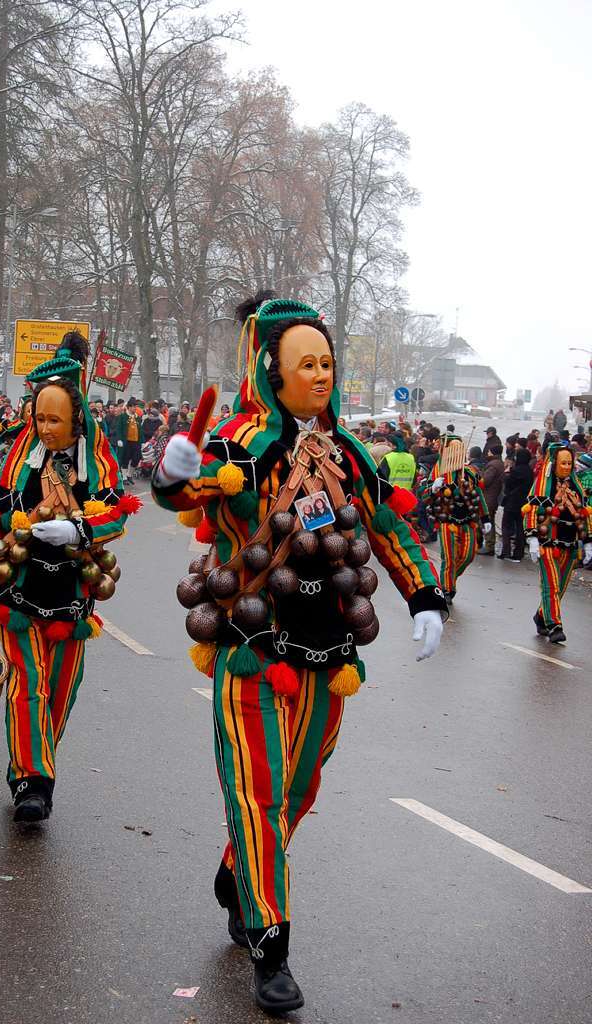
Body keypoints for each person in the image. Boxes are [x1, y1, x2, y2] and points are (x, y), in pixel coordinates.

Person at [152, 292, 446, 1015]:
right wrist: (170, 474)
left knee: (296, 791)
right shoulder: (245, 442)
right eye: (304, 363)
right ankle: (269, 945)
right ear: (272, 372)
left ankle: (235, 875)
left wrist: (425, 594)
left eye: (327, 362)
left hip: (330, 648)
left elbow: (385, 527)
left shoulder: (349, 452)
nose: (320, 373)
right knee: (255, 793)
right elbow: (190, 485)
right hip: (250, 647)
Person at [0, 333, 140, 820]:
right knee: (28, 684)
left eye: (54, 419)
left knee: (60, 692)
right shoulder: (19, 458)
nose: (44, 428)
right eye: (38, 418)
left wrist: (78, 527)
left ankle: (29, 769)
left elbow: (118, 516)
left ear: (76, 417)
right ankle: (36, 782)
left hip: (75, 598)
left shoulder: (97, 459)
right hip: (19, 592)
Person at [524, 443, 592, 643]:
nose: (567, 466)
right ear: (555, 464)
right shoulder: (544, 485)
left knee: (560, 587)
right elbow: (532, 510)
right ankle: (555, 626)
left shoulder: (576, 486)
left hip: (570, 545)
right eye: (563, 463)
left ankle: (541, 616)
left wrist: (588, 540)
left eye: (569, 463)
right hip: (548, 543)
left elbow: (583, 514)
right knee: (551, 585)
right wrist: (533, 537)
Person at [420, 435, 491, 603]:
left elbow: (478, 494)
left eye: (461, 449)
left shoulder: (470, 473)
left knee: (468, 556)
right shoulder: (439, 474)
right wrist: (433, 487)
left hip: (468, 522)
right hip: (447, 522)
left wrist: (486, 517)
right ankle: (446, 589)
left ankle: (449, 579)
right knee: (449, 558)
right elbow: (423, 496)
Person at [500, 448, 533, 561]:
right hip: (524, 503)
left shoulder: (515, 471)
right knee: (520, 528)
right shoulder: (530, 471)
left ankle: (506, 551)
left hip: (511, 502)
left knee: (506, 526)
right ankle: (518, 552)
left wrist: (507, 473)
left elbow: (507, 484)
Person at [478, 444, 504, 556]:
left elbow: (485, 481)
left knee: (486, 521)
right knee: (488, 521)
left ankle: (489, 546)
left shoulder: (493, 465)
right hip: (493, 496)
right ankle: (488, 544)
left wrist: (478, 475)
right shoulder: (499, 463)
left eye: (489, 452)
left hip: (488, 497)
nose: (487, 453)